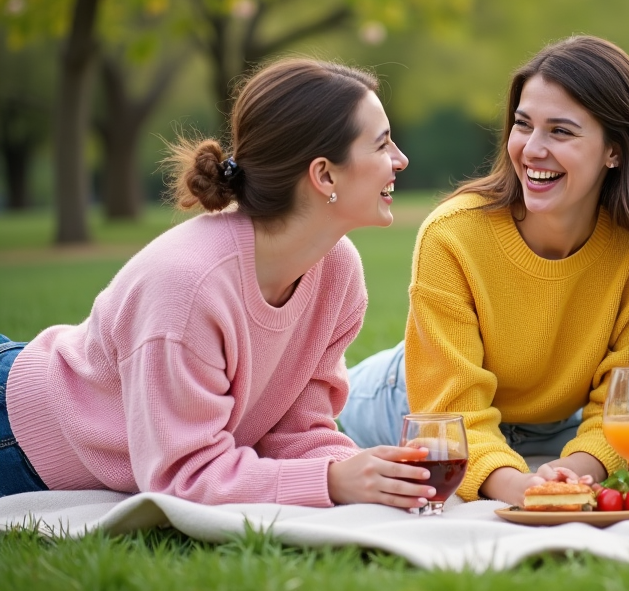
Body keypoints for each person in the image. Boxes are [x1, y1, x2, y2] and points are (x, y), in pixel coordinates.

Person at [0, 57, 438, 510]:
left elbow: (296, 432)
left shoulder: (338, 272)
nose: (400, 160)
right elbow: (181, 478)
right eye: (382, 145)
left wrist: (369, 478)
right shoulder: (188, 287)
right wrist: (331, 482)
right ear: (324, 174)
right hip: (15, 438)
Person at [340, 35, 629, 505]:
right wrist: (518, 486)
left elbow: (621, 403)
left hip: (550, 424)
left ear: (614, 150)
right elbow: (450, 410)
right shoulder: (453, 235)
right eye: (523, 125)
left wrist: (572, 472)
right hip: (412, 400)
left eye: (561, 131)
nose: (533, 149)